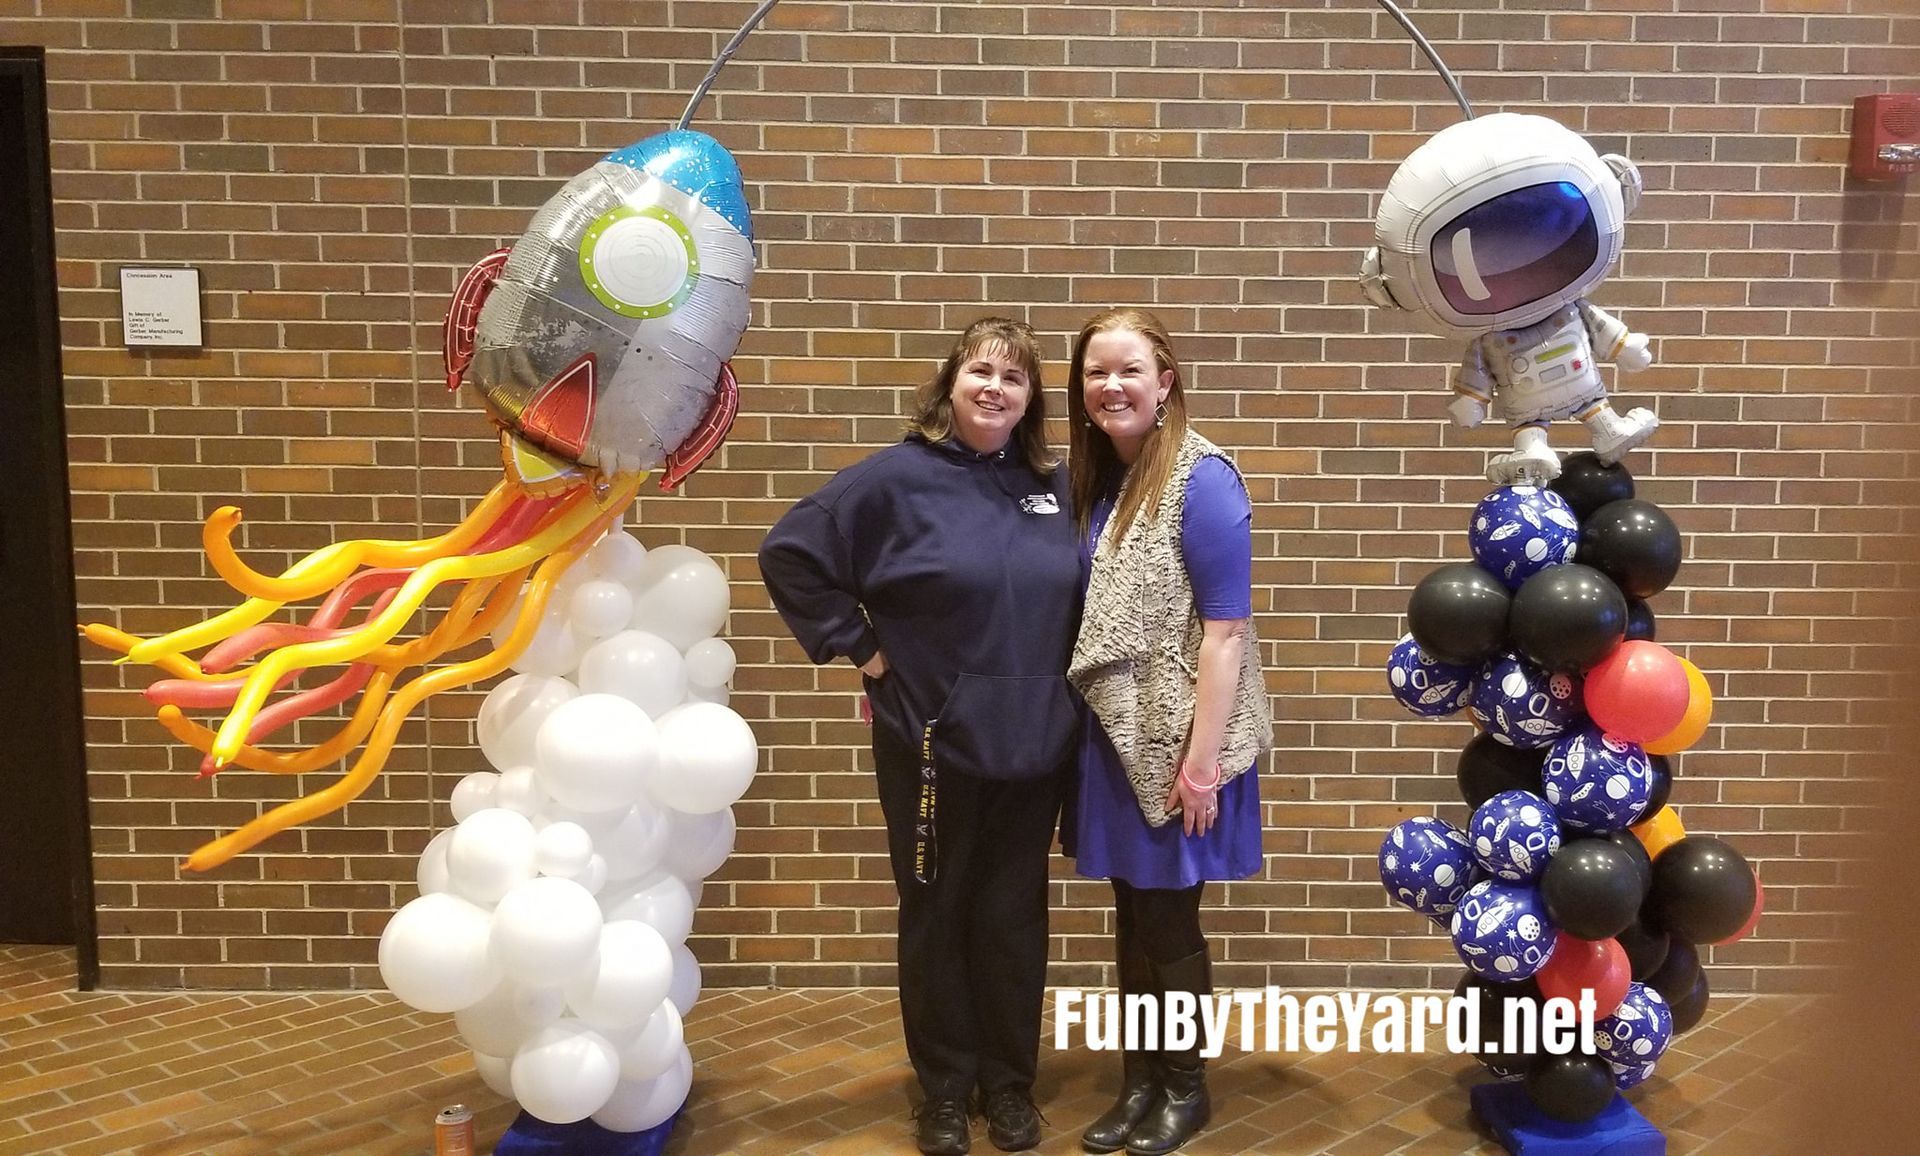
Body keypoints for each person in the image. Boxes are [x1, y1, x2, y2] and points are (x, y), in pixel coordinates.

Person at [758, 318, 1081, 1156]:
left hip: (1034, 742)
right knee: (937, 911)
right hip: (931, 741)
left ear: (1030, 400)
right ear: (950, 384)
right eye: (982, 371)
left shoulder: (1055, 486)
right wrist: (864, 652)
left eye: (1015, 379)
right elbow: (789, 552)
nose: (996, 389)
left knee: (1013, 915)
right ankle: (943, 1091)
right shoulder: (894, 480)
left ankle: (1008, 1085)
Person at [1062, 309, 1270, 1156]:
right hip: (1114, 736)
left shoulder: (1203, 477)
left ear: (1165, 379)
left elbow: (1227, 634)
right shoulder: (1097, 479)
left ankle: (1186, 1089)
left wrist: (1202, 764)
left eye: (1129, 370)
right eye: (1095, 372)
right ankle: (1139, 1082)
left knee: (1169, 922)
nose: (1111, 386)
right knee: (1131, 916)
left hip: (1183, 742)